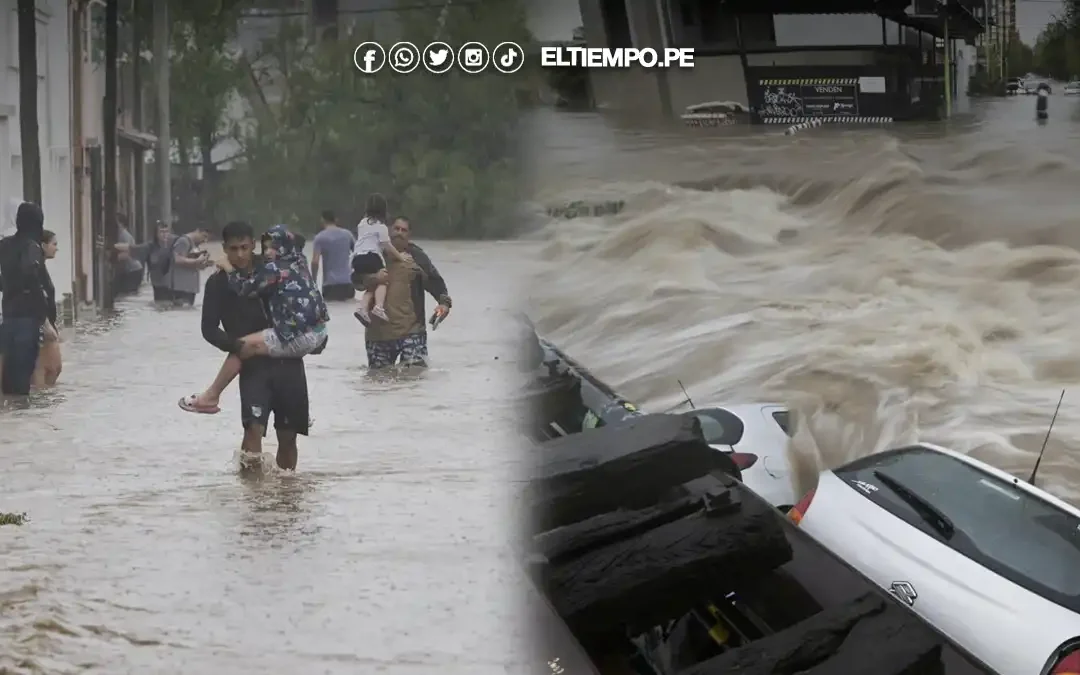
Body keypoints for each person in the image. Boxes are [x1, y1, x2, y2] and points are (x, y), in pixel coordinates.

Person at [179, 224, 329, 414]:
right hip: (315, 332)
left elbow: (244, 289)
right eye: (265, 248)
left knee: (243, 347)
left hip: (294, 339)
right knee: (243, 346)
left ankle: (210, 396)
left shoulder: (273, 269)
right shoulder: (299, 264)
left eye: (272, 247)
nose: (267, 252)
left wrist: (228, 268)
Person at [197, 220, 310, 469]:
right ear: (224, 248)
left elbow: (303, 301)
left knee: (289, 437)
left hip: (288, 361)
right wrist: (236, 346)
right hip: (251, 365)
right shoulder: (217, 283)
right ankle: (253, 498)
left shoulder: (272, 271)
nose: (239, 254)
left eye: (245, 248)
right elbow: (208, 329)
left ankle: (287, 495)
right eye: (233, 249)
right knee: (253, 430)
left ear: (254, 247)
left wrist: (313, 338)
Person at [362, 217, 451, 370]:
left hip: (412, 331)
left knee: (414, 380)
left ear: (409, 234)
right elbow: (356, 280)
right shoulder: (374, 253)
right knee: (378, 382)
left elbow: (435, 281)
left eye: (404, 230)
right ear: (389, 231)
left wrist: (444, 303)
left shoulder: (417, 256)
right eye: (396, 229)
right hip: (378, 334)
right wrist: (374, 278)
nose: (399, 233)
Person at [0, 202, 47, 395]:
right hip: (27, 318)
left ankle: (14, 418)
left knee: (9, 375)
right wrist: (43, 316)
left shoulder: (4, 245)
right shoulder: (32, 247)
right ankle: (21, 415)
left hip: (8, 316)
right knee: (23, 376)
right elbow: (31, 277)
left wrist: (8, 287)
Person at [351, 193, 411, 325]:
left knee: (371, 287)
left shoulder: (361, 224)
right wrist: (400, 258)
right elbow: (387, 245)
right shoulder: (382, 227)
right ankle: (379, 307)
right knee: (383, 281)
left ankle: (362, 308)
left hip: (357, 258)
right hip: (371, 256)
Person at [31, 230, 62, 387]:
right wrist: (45, 323)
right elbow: (37, 297)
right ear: (43, 245)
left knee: (54, 368)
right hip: (41, 325)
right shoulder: (36, 268)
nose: (57, 248)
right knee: (44, 369)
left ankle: (44, 406)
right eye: (54, 244)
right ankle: (38, 403)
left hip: (47, 323)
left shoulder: (41, 267)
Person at [310, 209, 356, 301]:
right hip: (348, 284)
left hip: (330, 286)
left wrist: (314, 282)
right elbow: (358, 253)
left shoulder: (319, 237)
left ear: (322, 220)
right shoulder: (348, 234)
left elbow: (315, 262)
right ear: (336, 220)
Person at [167, 225, 214, 306]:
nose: (204, 240)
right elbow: (177, 259)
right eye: (204, 236)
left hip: (189, 288)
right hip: (182, 288)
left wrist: (204, 264)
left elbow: (190, 262)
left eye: (207, 239)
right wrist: (197, 260)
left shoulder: (194, 244)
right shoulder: (183, 241)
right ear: (197, 230)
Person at [113, 214, 145, 297]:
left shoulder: (124, 235)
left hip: (133, 270)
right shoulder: (123, 235)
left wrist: (114, 258)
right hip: (133, 270)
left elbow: (129, 252)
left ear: (121, 223)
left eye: (116, 222)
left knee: (128, 294)